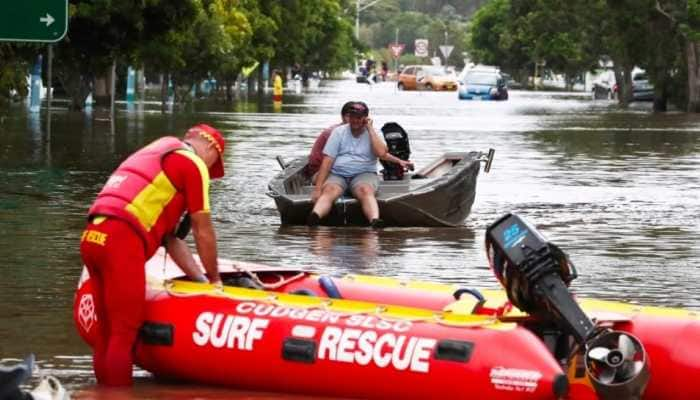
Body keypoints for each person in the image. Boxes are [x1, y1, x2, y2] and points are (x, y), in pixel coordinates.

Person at [79, 124, 226, 386]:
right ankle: (117, 395)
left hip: (93, 235)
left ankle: (102, 392)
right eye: (214, 164)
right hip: (121, 240)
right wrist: (216, 280)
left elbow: (170, 240)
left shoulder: (158, 151)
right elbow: (203, 231)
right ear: (211, 148)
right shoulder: (193, 164)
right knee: (124, 333)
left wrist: (202, 281)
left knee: (105, 333)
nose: (210, 172)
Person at [308, 102, 413, 228]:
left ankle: (374, 221)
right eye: (352, 117)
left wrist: (370, 129)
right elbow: (327, 161)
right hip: (338, 174)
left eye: (358, 117)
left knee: (365, 190)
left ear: (366, 118)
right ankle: (314, 217)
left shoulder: (371, 134)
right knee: (330, 190)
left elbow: (381, 153)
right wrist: (317, 189)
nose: (355, 120)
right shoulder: (338, 133)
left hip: (364, 174)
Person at [304, 101, 356, 183]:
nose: (353, 120)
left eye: (357, 117)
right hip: (320, 172)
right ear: (342, 117)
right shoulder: (335, 133)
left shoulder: (354, 132)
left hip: (338, 170)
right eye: (349, 116)